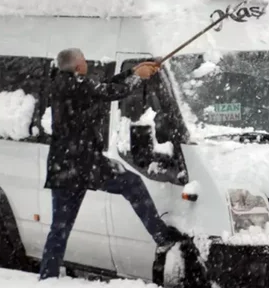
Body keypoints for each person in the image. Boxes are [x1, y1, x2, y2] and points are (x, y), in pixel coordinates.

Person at [39, 48, 178, 280]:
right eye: (84, 61)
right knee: (132, 184)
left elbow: (102, 86)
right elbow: (111, 92)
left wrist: (133, 71)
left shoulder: (66, 83)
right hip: (84, 164)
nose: (86, 64)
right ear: (77, 67)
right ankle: (162, 237)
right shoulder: (75, 86)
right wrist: (137, 77)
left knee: (60, 227)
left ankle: (47, 276)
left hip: (63, 167)